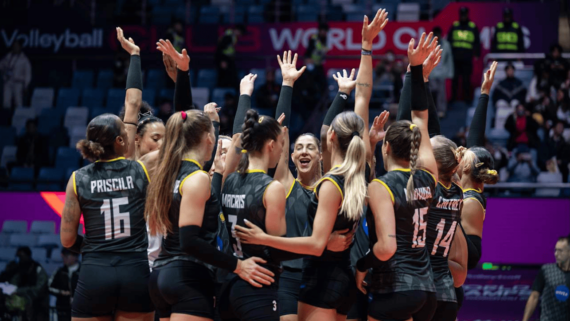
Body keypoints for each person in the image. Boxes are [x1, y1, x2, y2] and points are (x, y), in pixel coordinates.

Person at [235, 11, 388, 320]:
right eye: (297, 148)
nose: (302, 151)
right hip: (313, 276)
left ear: (324, 147)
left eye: (310, 146)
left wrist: (265, 239)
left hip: (323, 277)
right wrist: (365, 48)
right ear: (287, 155)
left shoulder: (331, 182)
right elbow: (282, 131)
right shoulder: (353, 173)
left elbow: (317, 244)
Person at [59, 27, 156, 321]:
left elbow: (66, 240)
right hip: (135, 272)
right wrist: (136, 55)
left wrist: (95, 247)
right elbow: (133, 103)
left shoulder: (78, 178)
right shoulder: (139, 166)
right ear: (120, 141)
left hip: (95, 270)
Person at [355, 32, 439, 321]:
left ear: (386, 147)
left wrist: (361, 266)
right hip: (428, 290)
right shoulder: (429, 175)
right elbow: (421, 119)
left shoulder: (382, 186)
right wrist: (416, 72)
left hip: (395, 287)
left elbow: (387, 246)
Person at [522, 236, 570, 321]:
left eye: (560, 251)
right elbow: (534, 297)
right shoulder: (546, 270)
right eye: (555, 250)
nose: (556, 254)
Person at [0, 246, 49, 321]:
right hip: (19, 302)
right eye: (18, 256)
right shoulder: (17, 268)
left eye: (21, 256)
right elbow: (13, 284)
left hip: (37, 305)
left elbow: (39, 289)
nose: (19, 259)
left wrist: (19, 291)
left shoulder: (37, 269)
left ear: (28, 256)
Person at [447, 6, 480, 103]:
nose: (463, 17)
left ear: (467, 15)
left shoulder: (472, 26)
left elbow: (477, 42)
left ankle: (467, 99)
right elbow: (449, 41)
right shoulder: (455, 25)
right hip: (455, 58)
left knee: (466, 79)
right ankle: (453, 99)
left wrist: (477, 53)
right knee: (455, 80)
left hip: (467, 57)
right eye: (462, 15)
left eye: (465, 15)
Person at [48, 249, 80, 321]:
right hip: (62, 309)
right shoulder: (59, 271)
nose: (64, 258)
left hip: (80, 310)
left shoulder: (83, 272)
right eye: (63, 255)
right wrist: (61, 292)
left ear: (76, 257)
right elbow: (49, 287)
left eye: (67, 255)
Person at [429, 26, 453, 118]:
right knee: (432, 91)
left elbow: (449, 59)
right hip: (431, 72)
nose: (437, 36)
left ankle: (441, 110)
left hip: (442, 72)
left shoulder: (446, 45)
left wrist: (449, 72)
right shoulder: (428, 44)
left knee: (441, 93)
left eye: (438, 34)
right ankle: (431, 110)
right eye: (435, 35)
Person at [0, 40, 32, 109]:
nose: (15, 47)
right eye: (14, 46)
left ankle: (19, 118)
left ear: (20, 47)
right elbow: (2, 65)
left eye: (17, 46)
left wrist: (26, 85)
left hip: (18, 83)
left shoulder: (24, 59)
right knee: (6, 102)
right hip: (8, 81)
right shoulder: (8, 56)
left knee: (18, 102)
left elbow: (27, 73)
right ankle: (6, 118)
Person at [216, 25, 247, 89]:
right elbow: (220, 48)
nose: (240, 35)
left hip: (228, 59)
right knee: (226, 77)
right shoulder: (229, 36)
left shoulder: (232, 36)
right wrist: (222, 60)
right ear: (237, 30)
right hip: (224, 58)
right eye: (240, 33)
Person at [304, 22, 329, 91]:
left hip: (319, 64)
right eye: (323, 31)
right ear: (320, 31)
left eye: (326, 31)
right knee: (311, 83)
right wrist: (307, 59)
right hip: (312, 65)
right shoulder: (314, 39)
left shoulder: (324, 39)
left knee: (323, 83)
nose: (324, 33)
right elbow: (309, 50)